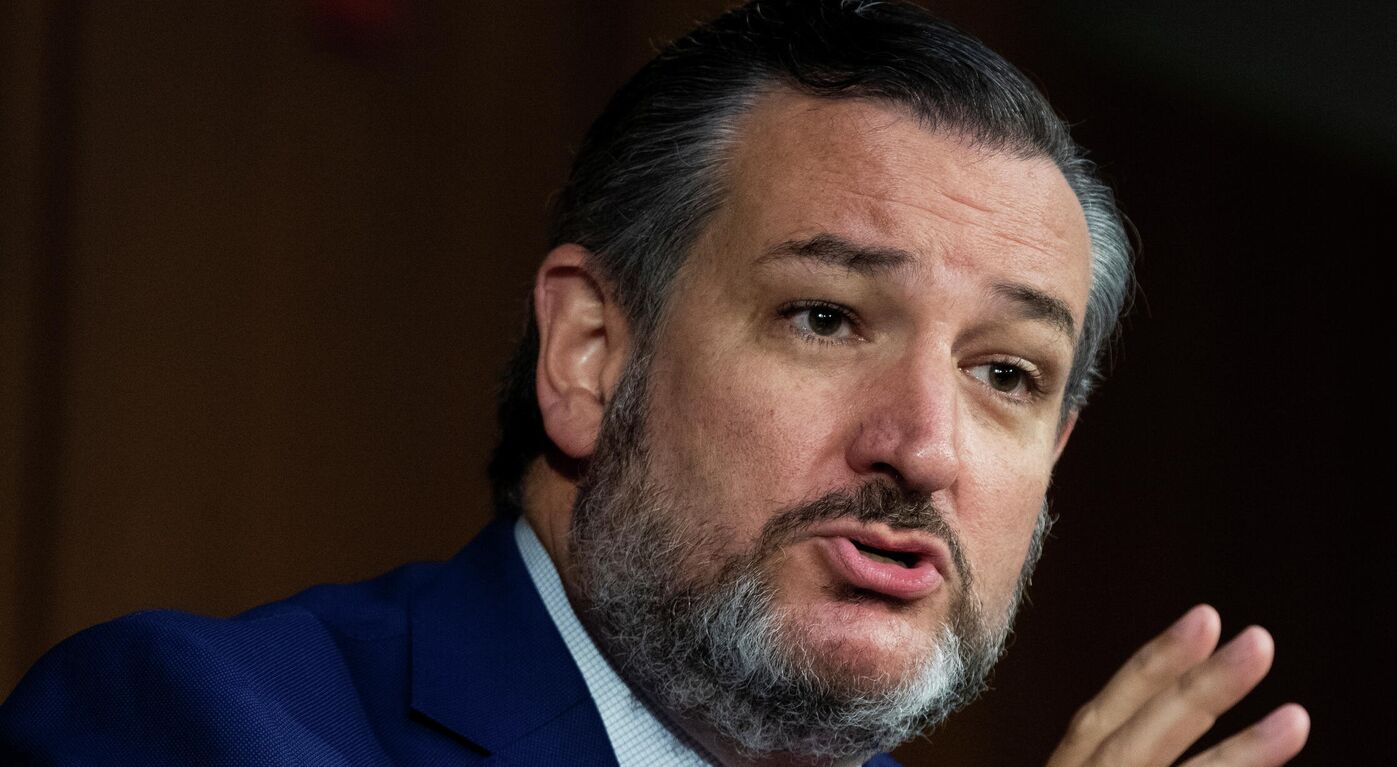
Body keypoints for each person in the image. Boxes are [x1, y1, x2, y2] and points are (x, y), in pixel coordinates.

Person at [1, 1, 1310, 765]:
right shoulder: (188, 728)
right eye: (826, 316)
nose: (925, 447)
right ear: (589, 355)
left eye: (1007, 374)